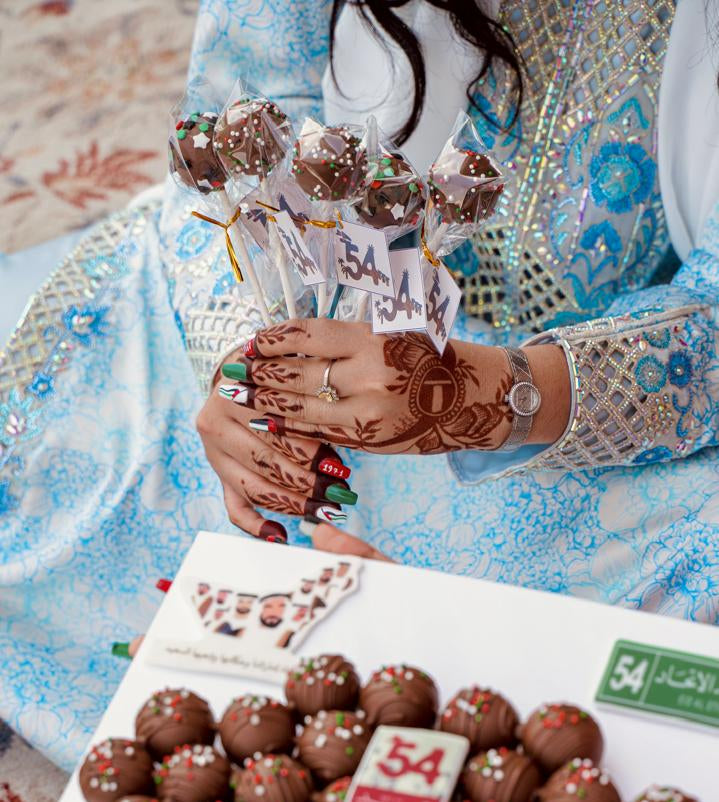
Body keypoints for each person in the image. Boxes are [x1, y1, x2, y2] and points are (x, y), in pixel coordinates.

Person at [0, 0, 716, 772]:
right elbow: (239, 118)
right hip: (317, 292)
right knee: (82, 476)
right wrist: (248, 359)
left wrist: (503, 396)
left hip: (599, 388)